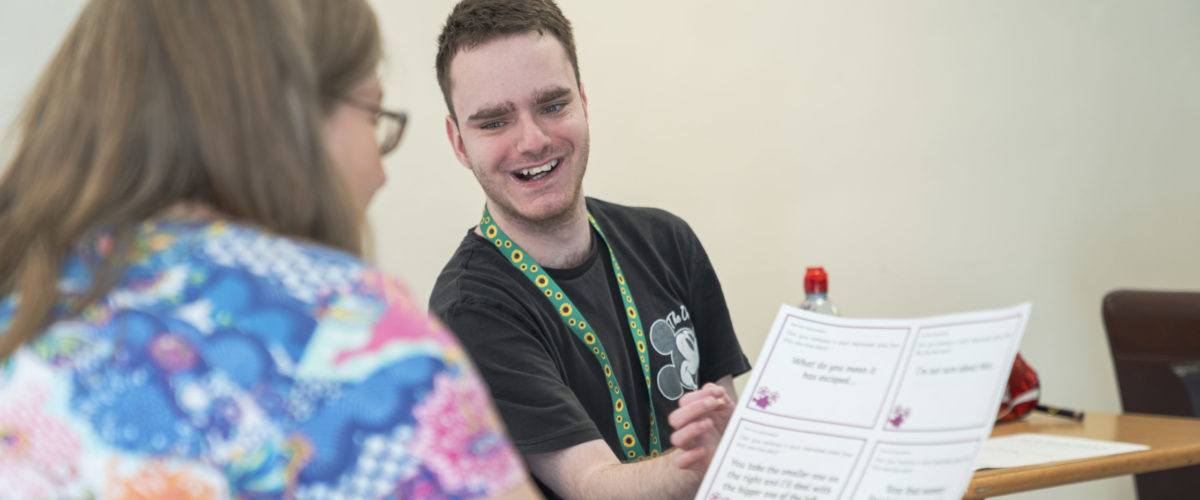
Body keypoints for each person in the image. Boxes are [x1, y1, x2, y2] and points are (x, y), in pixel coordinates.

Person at [0, 0, 540, 498]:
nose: (379, 172)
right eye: (373, 116)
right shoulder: (352, 337)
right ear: (289, 121)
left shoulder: (24, 311)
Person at [429, 0, 752, 497]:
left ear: (583, 101)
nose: (532, 141)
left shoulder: (668, 241)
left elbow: (721, 419)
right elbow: (589, 485)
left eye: (552, 106)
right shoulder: (468, 311)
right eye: (494, 122)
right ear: (458, 143)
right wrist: (699, 465)